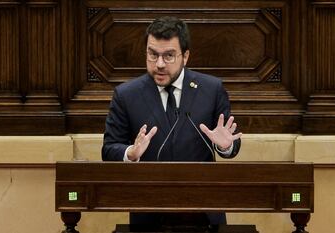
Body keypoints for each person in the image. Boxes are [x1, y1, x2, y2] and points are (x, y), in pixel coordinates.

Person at [102, 16, 242, 227]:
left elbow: (231, 141)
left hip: (204, 213)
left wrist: (226, 146)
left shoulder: (211, 89)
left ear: (185, 56)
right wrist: (129, 153)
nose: (159, 64)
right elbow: (109, 149)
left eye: (168, 56)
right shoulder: (126, 95)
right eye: (152, 54)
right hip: (148, 214)